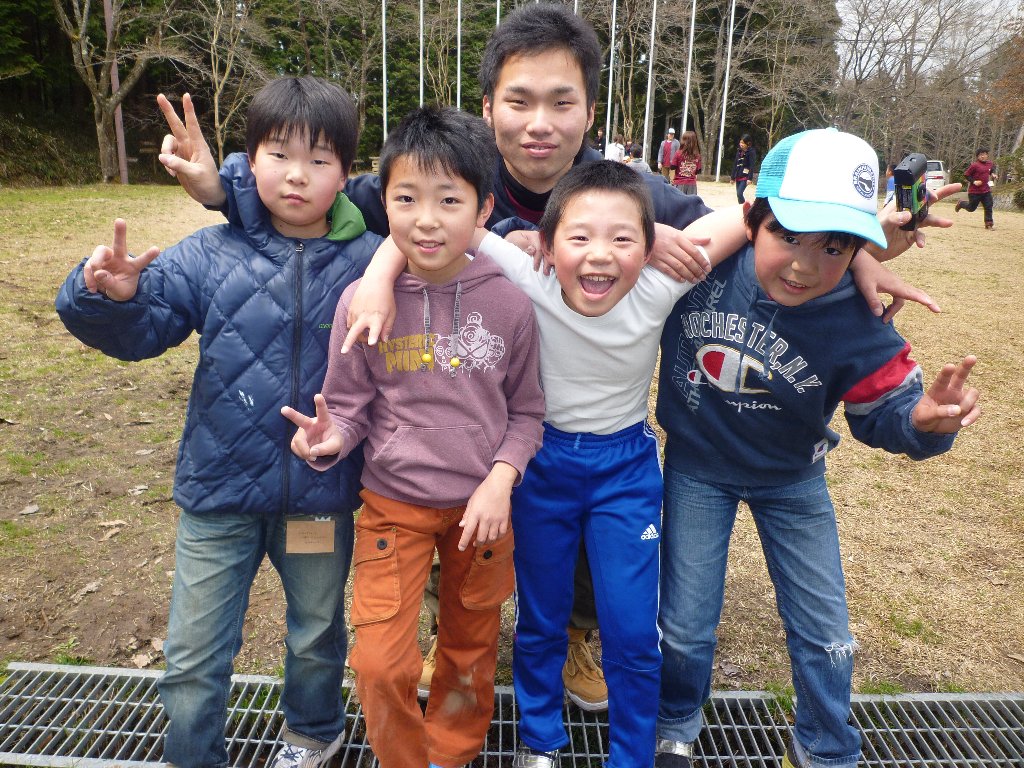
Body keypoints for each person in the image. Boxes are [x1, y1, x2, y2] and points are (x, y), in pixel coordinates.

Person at [157, 1, 717, 715]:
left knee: (584, 526)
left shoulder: (630, 197)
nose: (539, 122)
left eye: (561, 102)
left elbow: (750, 241)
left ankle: (584, 631)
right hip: (464, 408)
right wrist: (224, 189)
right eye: (518, 101)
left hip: (580, 420)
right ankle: (435, 622)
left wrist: (854, 257)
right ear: (488, 108)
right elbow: (321, 192)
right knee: (438, 504)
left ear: (590, 111)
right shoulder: (449, 172)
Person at [346, 159, 749, 768]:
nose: (599, 257)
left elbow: (751, 218)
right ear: (547, 243)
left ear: (649, 246)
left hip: (626, 469)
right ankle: (540, 741)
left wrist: (861, 245)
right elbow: (433, 230)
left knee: (634, 631)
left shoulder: (659, 285)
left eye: (622, 239)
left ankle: (632, 754)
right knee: (541, 615)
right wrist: (379, 273)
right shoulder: (527, 274)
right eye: (579, 237)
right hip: (540, 460)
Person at [55, 77, 383, 768]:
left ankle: (312, 735)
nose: (297, 175)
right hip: (219, 496)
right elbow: (141, 331)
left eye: (321, 160)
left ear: (347, 173)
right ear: (247, 161)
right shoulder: (208, 254)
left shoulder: (369, 263)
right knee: (194, 654)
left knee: (317, 636)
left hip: (318, 500)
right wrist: (101, 297)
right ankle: (191, 754)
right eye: (278, 154)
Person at [653, 128, 982, 768]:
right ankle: (674, 723)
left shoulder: (854, 316)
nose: (805, 265)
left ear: (860, 249)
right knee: (685, 626)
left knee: (826, 636)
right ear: (752, 220)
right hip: (697, 468)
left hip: (791, 480)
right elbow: (612, 211)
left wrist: (923, 422)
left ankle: (826, 747)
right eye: (788, 236)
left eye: (834, 247)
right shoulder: (698, 268)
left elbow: (884, 411)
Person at [281, 106, 545, 768]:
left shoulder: (511, 304)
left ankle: (451, 753)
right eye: (407, 199)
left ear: (483, 209)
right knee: (378, 660)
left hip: (480, 513)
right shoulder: (362, 302)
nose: (427, 219)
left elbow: (528, 411)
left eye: (449, 200)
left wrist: (500, 479)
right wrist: (329, 437)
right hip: (391, 508)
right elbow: (350, 403)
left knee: (469, 648)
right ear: (385, 203)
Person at [956, 147, 996, 230]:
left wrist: (993, 174)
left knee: (988, 206)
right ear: (977, 156)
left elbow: (991, 169)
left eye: (984, 154)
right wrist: (974, 182)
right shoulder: (974, 165)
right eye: (981, 155)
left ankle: (989, 224)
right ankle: (961, 204)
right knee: (971, 208)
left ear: (987, 155)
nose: (983, 156)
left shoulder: (990, 163)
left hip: (986, 190)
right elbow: (966, 175)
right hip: (974, 191)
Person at [671, 131, 701, 195]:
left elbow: (672, 167)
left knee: (678, 203)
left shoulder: (678, 153)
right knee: (691, 204)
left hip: (679, 183)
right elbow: (697, 171)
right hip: (692, 185)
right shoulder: (697, 155)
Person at [730, 133, 758, 204]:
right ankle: (741, 208)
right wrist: (732, 177)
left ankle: (744, 207)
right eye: (740, 142)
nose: (741, 144)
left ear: (748, 143)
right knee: (738, 195)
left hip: (745, 177)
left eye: (743, 143)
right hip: (738, 175)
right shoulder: (739, 151)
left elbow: (752, 165)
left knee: (740, 193)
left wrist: (749, 178)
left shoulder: (751, 152)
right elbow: (735, 164)